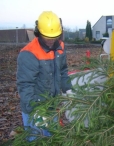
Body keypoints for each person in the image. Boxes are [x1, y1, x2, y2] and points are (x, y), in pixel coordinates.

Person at [16, 11, 72, 140]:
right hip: (34, 107)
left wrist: (68, 89)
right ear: (38, 32)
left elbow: (63, 70)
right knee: (35, 139)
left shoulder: (60, 47)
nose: (51, 41)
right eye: (47, 37)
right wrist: (35, 111)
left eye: (54, 37)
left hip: (52, 104)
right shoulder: (29, 54)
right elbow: (25, 85)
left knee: (52, 138)